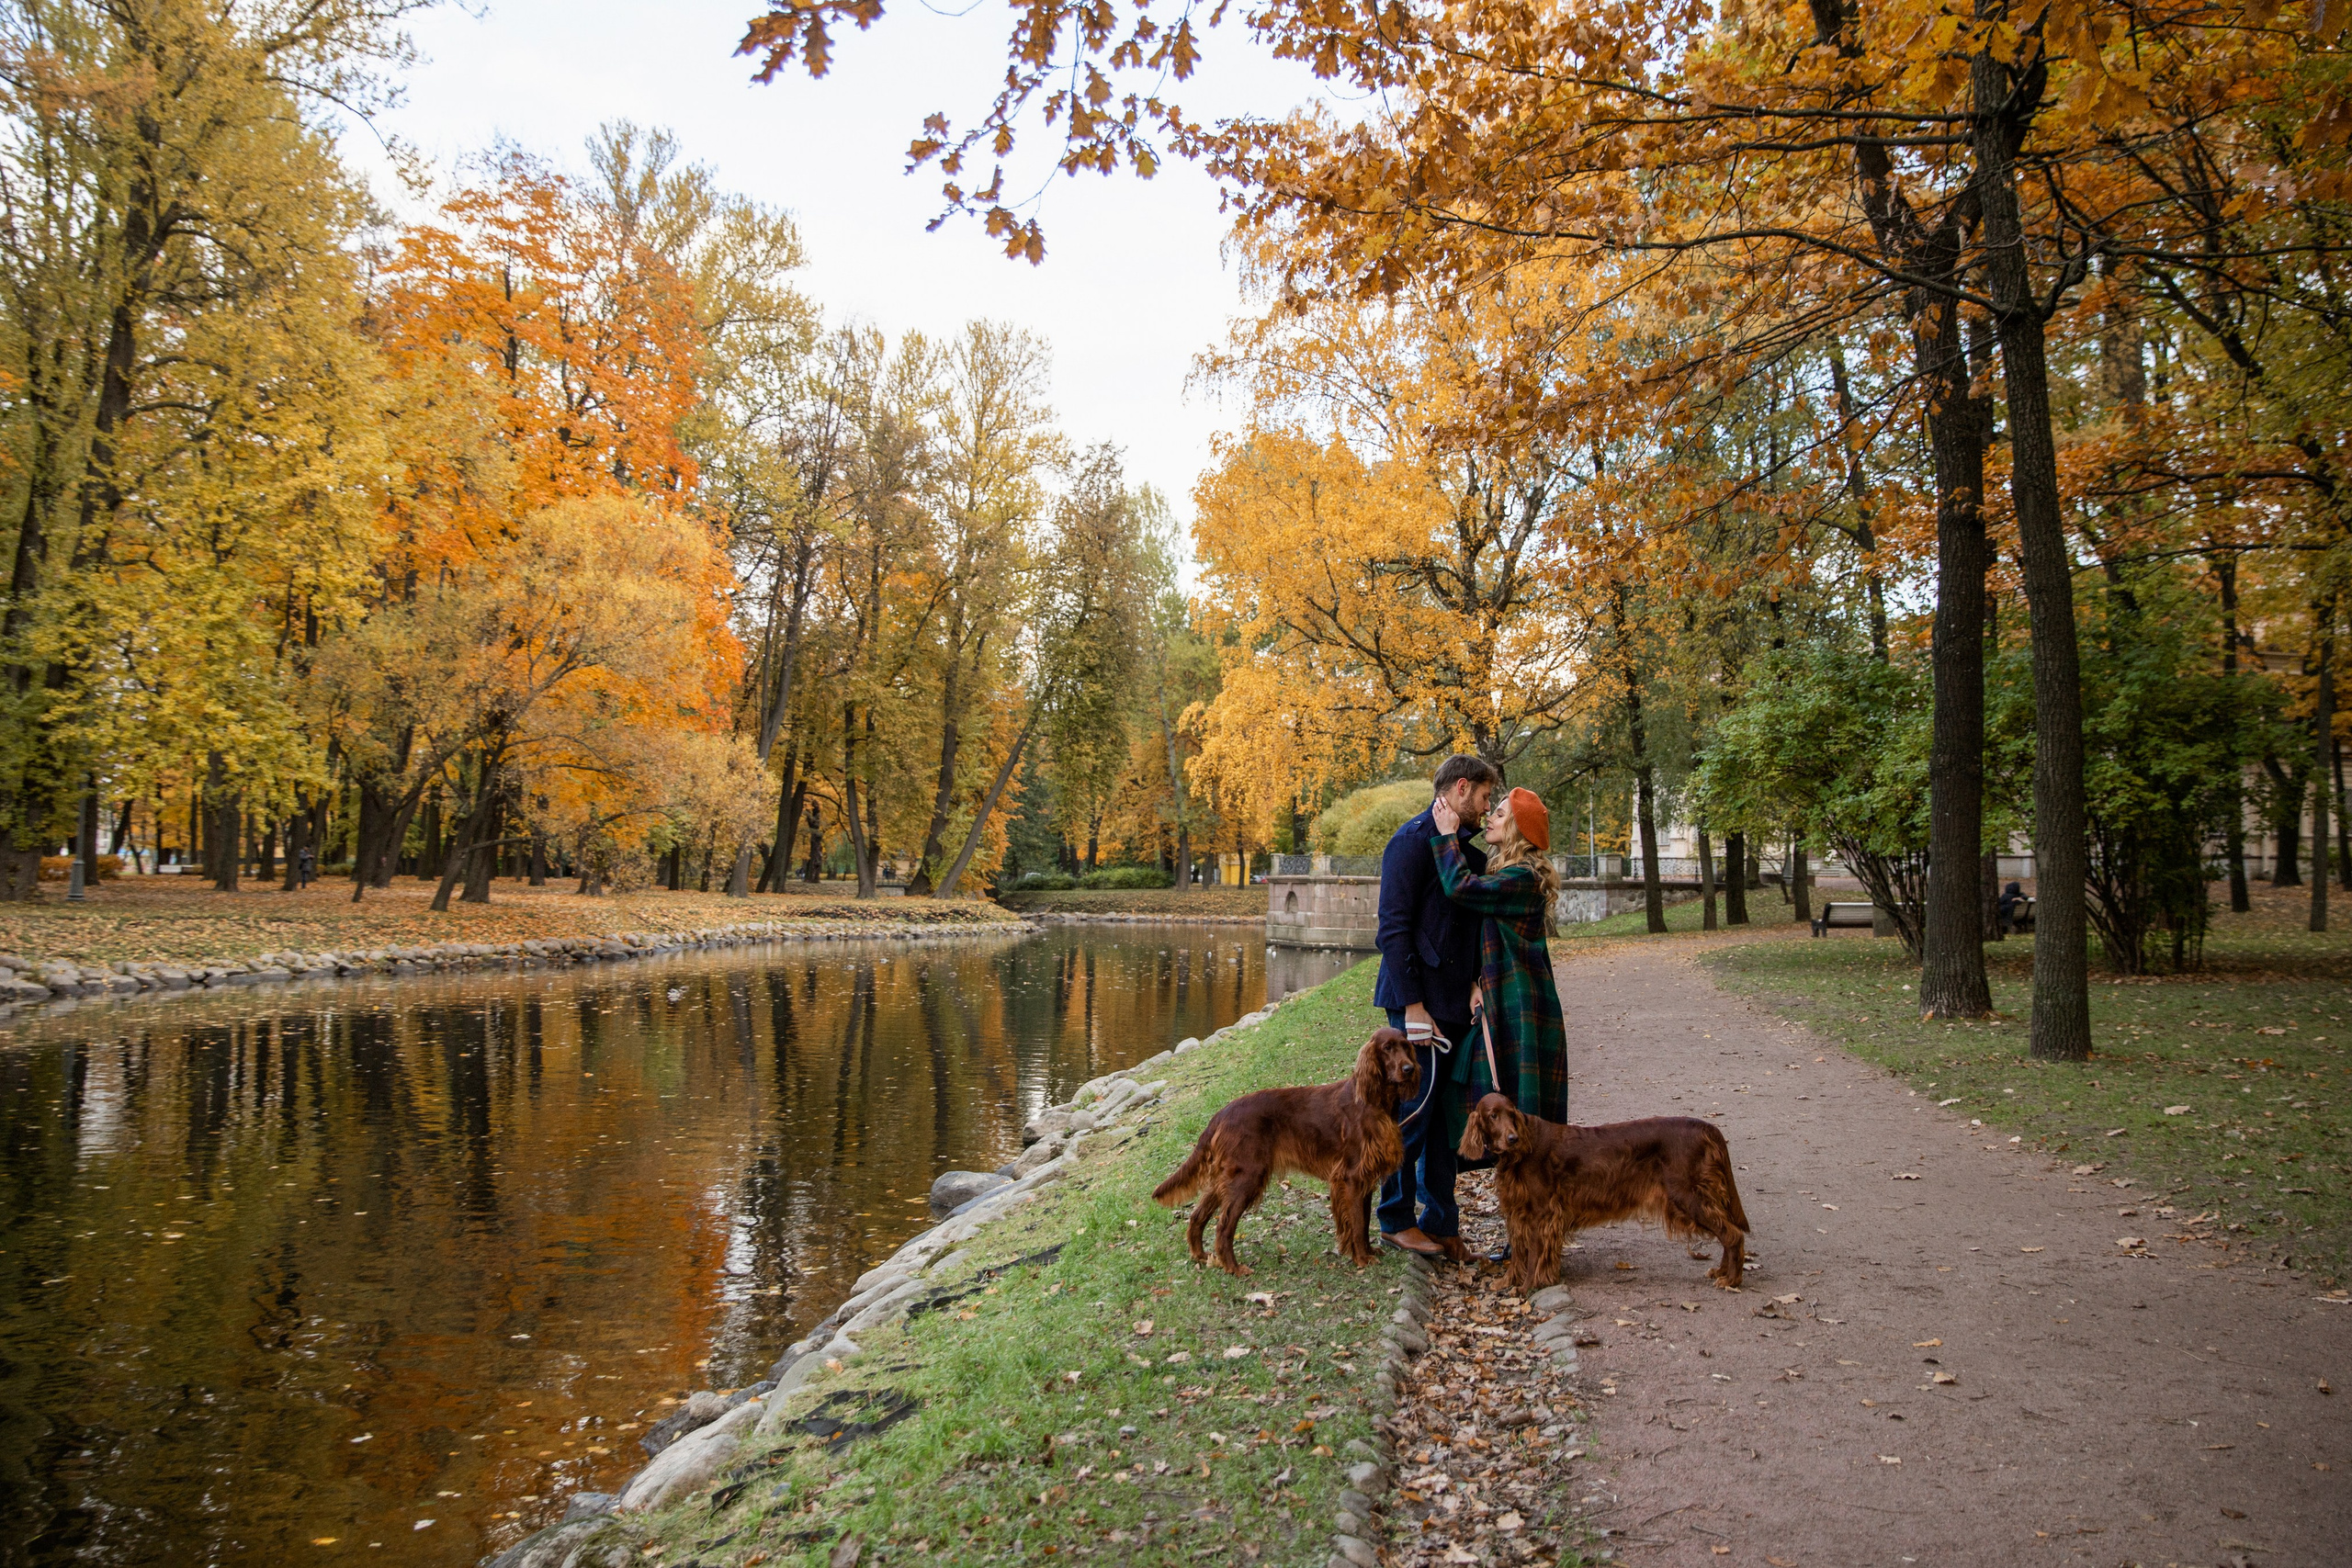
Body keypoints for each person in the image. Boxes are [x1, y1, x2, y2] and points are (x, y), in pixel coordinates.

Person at [1430, 784, 1569, 1259]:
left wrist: (1445, 835)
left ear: (1517, 829)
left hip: (1523, 1012)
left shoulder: (1524, 878)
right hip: (1503, 1003)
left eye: (1501, 813)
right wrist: (1474, 982)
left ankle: (1533, 1243)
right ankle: (1510, 1235)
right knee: (1474, 1105)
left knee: (1527, 1121)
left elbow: (1459, 888)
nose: (1490, 816)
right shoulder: (1510, 873)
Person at [1373, 754, 1499, 1259]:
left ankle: (1443, 1224)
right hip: (1416, 1008)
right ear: (1462, 788)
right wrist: (1413, 1007)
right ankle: (1395, 1219)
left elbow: (1464, 922)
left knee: (1447, 1118)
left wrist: (1471, 981)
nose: (1489, 807)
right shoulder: (1408, 842)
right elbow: (1393, 929)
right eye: (1487, 797)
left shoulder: (1462, 848)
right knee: (1412, 1114)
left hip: (1455, 1002)